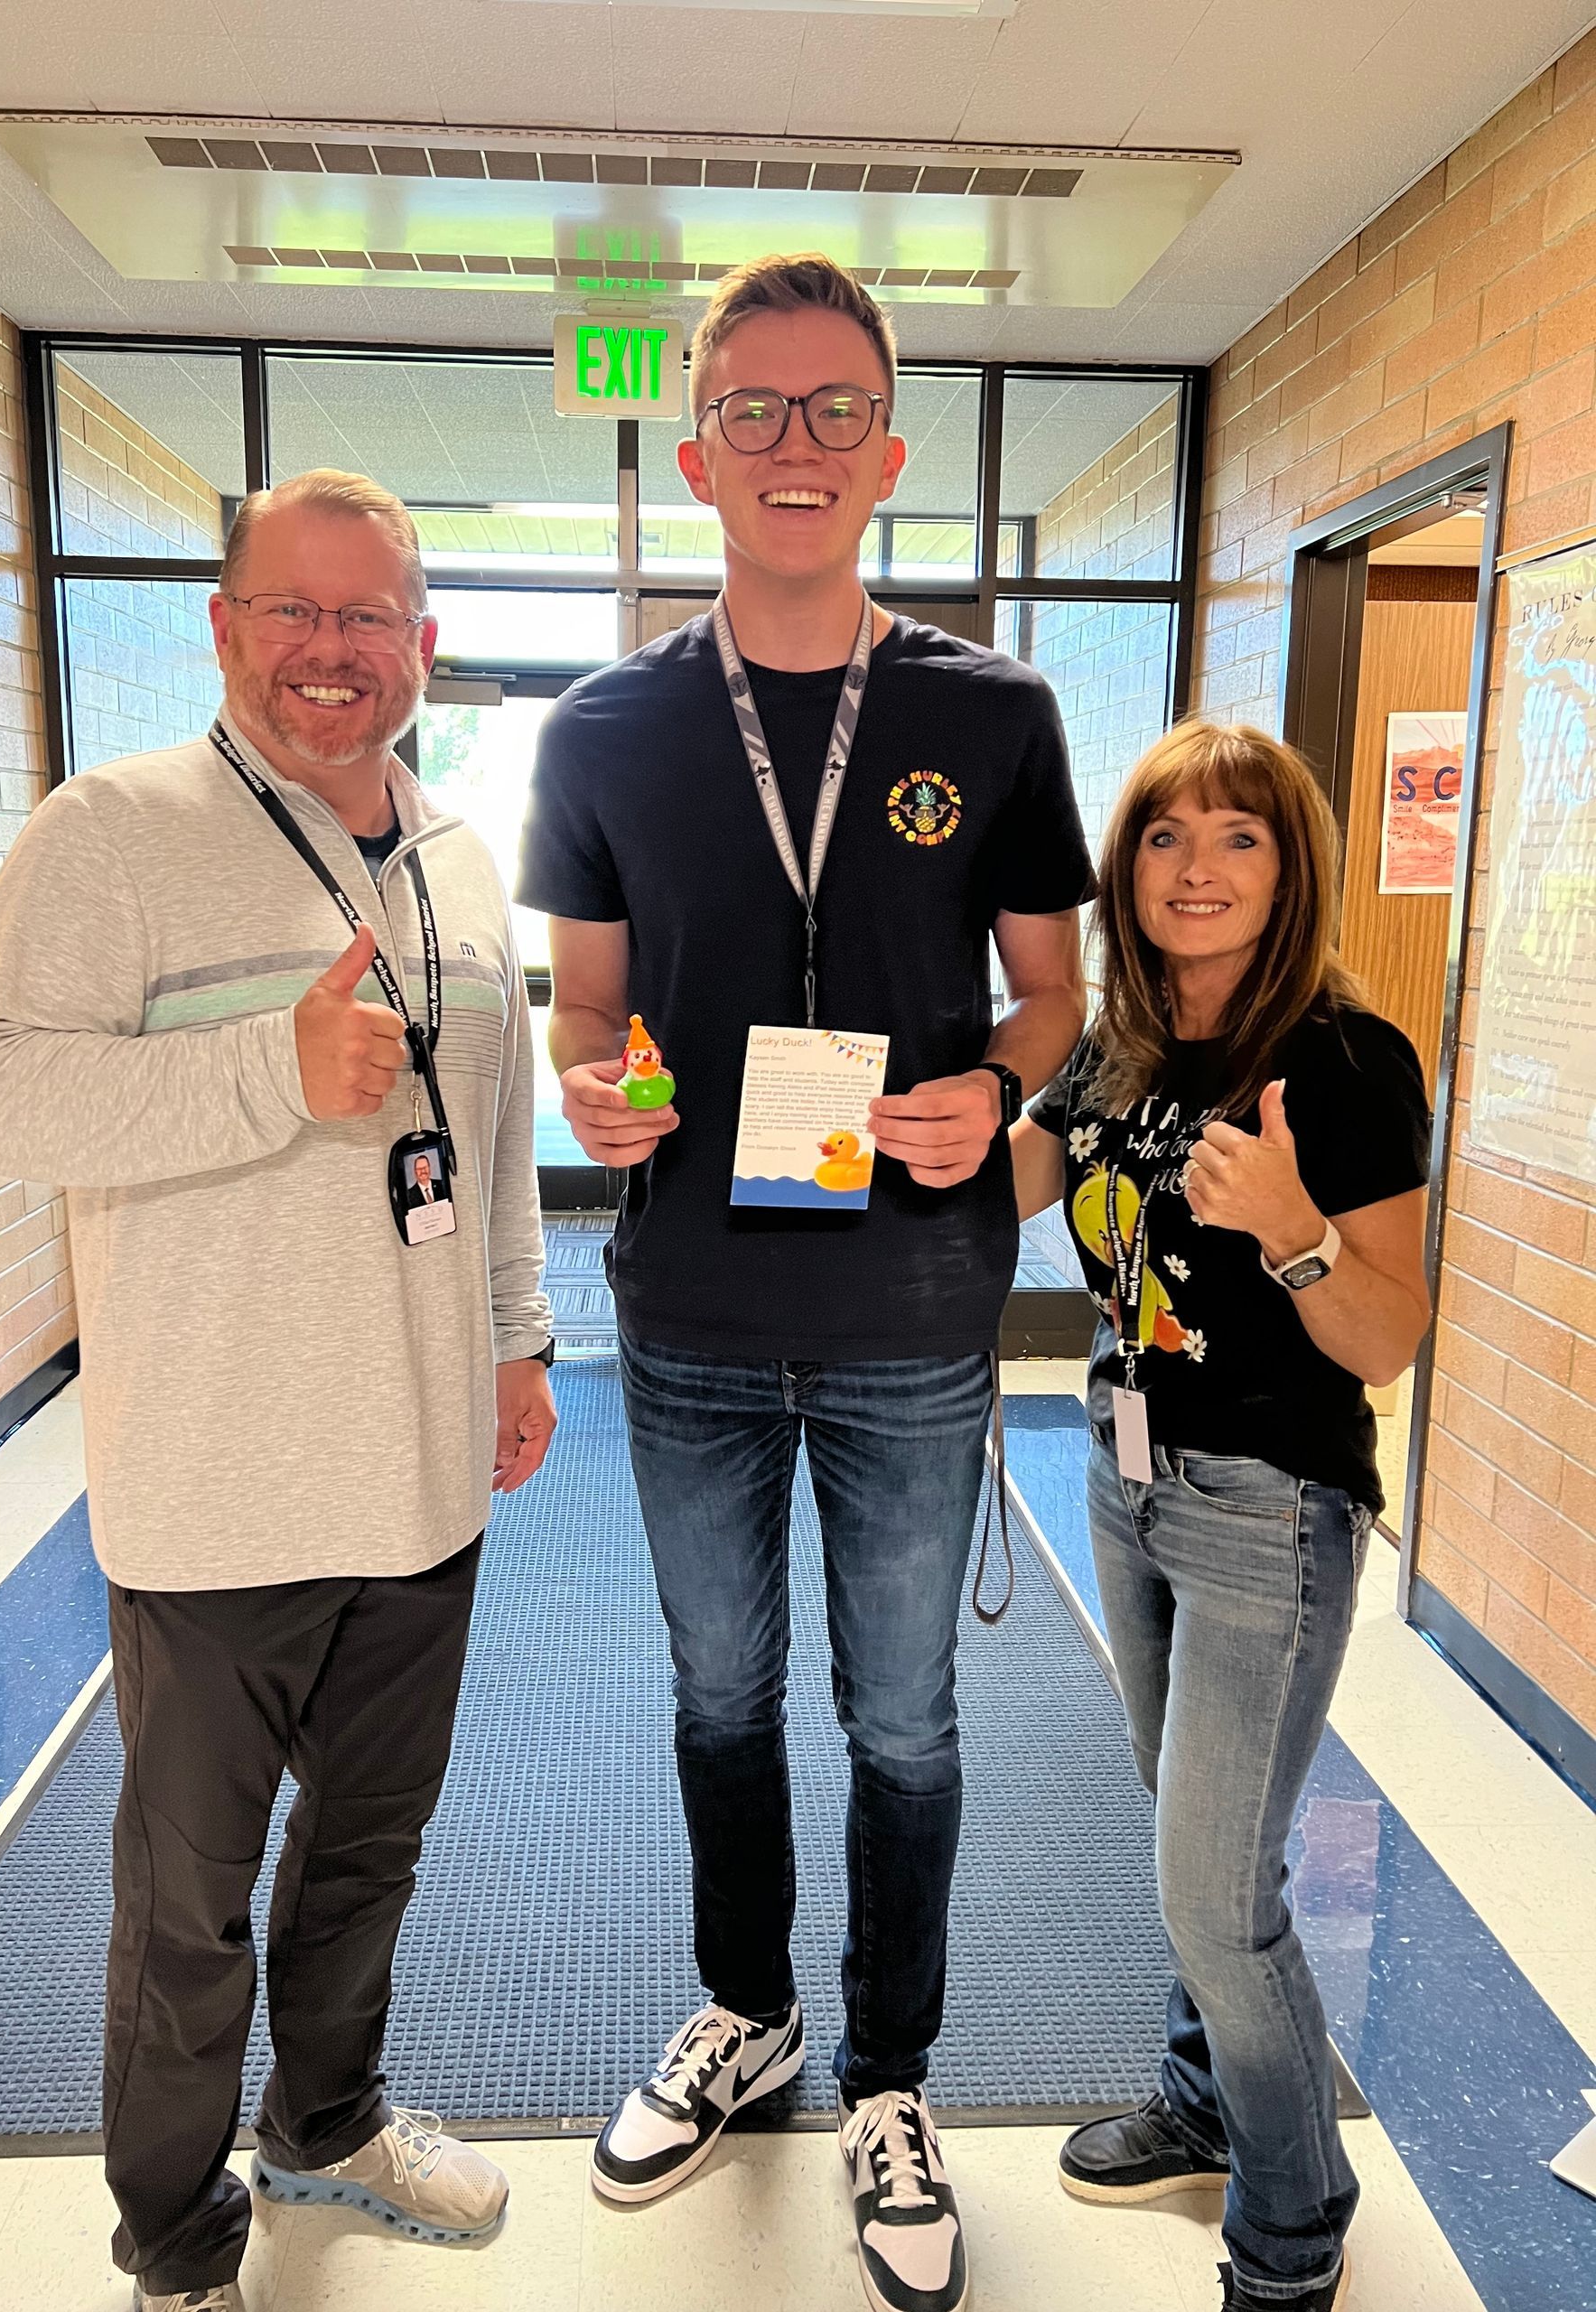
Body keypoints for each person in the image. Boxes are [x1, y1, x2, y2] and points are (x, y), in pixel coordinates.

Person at [0, 470, 557, 2312]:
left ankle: (330, 2119)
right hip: (210, 1495)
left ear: (425, 644)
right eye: (294, 609)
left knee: (365, 1858)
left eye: (371, 617)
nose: (332, 651)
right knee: (182, 1918)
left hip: (422, 1479)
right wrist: (263, 1072)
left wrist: (517, 1334)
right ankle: (178, 2238)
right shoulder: (111, 835)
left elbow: (485, 1128)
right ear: (223, 626)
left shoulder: (458, 854)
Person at [518, 254, 1092, 2312]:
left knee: (911, 1717)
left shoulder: (992, 710)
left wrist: (992, 1093)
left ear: (889, 452)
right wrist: (601, 1083)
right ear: (692, 450)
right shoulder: (603, 727)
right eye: (751, 408)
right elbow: (586, 1009)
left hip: (919, 1315)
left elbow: (1059, 994)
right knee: (715, 1696)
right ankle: (743, 2007)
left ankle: (890, 2074)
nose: (790, 442)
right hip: (683, 1312)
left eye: (830, 406)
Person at [1010, 721, 1433, 2312]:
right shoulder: (1116, 1051)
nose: (1196, 868)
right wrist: (834, 1140)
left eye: (1238, 838)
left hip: (1272, 1512)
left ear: (1289, 867)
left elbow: (1387, 1339)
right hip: (1126, 1485)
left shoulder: (1341, 1061)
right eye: (1167, 836)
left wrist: (1297, 1230)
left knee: (1216, 1887)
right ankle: (1203, 2099)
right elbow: (1006, 1184)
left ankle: (1294, 2211)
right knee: (1191, 1839)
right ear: (1126, 872)